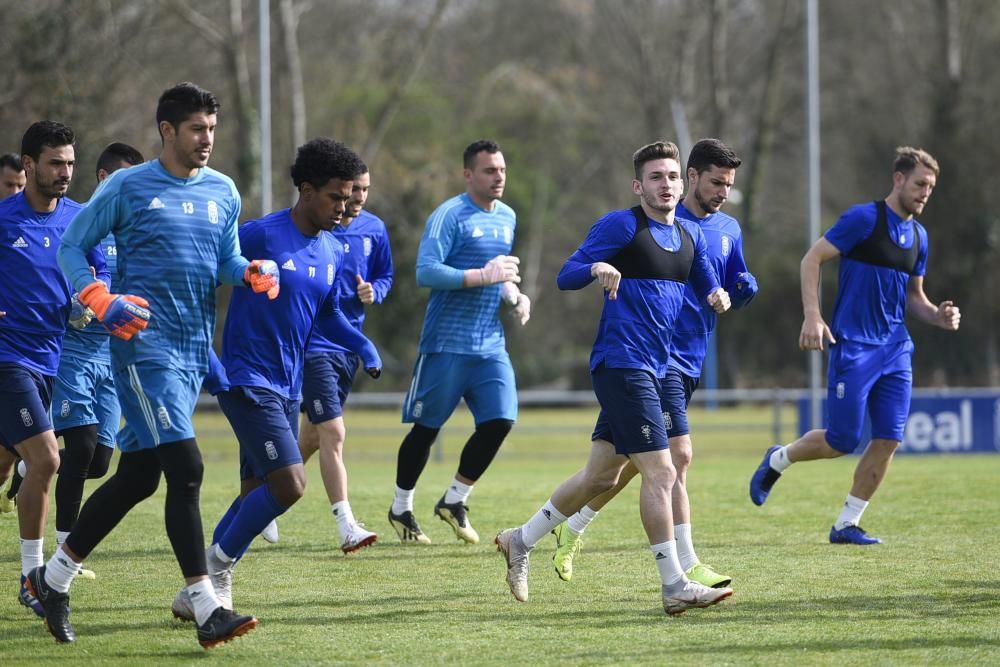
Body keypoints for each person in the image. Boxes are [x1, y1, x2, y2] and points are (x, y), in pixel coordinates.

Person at [30, 82, 277, 648]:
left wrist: (250, 272)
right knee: (187, 469)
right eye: (196, 129)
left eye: (212, 129)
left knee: (139, 477)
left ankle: (54, 579)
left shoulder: (224, 191)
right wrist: (98, 297)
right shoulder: (127, 187)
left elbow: (225, 260)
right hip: (144, 351)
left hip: (192, 352)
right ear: (167, 131)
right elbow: (71, 245)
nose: (207, 139)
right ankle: (207, 605)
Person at [495, 140, 735, 616]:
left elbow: (707, 281)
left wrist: (719, 297)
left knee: (600, 477)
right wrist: (596, 267)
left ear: (681, 181)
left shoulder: (691, 238)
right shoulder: (621, 225)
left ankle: (519, 541)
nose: (664, 185)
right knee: (662, 471)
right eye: (655, 178)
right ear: (637, 185)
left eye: (671, 177)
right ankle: (674, 585)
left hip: (662, 368)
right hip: (622, 364)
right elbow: (566, 275)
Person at [170, 138, 382, 620]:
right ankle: (216, 573)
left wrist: (363, 345)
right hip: (246, 379)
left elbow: (327, 316)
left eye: (350, 198)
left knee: (254, 496)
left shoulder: (333, 248)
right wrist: (211, 364)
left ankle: (196, 590)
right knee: (290, 484)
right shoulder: (261, 235)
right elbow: (201, 279)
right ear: (306, 190)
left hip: (288, 387)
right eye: (336, 197)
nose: (344, 207)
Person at [549, 139, 757, 587]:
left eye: (729, 185)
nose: (722, 191)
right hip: (648, 361)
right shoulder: (645, 224)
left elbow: (723, 283)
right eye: (715, 182)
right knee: (671, 461)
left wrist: (738, 288)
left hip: (685, 355)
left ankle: (550, 532)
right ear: (694, 178)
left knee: (614, 468)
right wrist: (596, 271)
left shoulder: (723, 230)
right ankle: (683, 570)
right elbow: (571, 272)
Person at [749, 146, 960, 545]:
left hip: (896, 349)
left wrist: (938, 316)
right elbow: (811, 260)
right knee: (841, 441)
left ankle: (847, 523)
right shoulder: (863, 219)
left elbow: (916, 297)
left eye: (930, 188)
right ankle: (779, 458)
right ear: (898, 179)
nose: (925, 193)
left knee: (889, 438)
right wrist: (813, 316)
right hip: (855, 347)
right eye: (919, 184)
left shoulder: (919, 236)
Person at [388, 139, 530, 545]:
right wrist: (480, 276)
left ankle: (455, 500)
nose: (498, 176)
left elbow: (499, 272)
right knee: (427, 429)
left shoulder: (507, 217)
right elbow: (426, 272)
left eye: (501, 169)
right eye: (489, 170)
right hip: (447, 342)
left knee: (501, 420)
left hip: (489, 343)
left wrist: (516, 296)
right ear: (468, 174)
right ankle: (401, 506)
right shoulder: (448, 215)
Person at [0, 121, 109, 620]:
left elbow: (100, 271)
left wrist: (91, 297)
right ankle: (33, 577)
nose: (65, 172)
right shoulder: (3, 220)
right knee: (47, 460)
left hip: (51, 359)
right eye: (55, 163)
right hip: (7, 359)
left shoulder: (81, 218)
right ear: (28, 165)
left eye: (70, 163)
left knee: (7, 464)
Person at [49, 142, 145, 579]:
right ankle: (63, 547)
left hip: (112, 356)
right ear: (105, 179)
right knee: (82, 447)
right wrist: (75, 301)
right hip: (72, 351)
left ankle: (37, 460)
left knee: (101, 461)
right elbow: (55, 268)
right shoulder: (76, 220)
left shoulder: (137, 230)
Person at [297, 164, 393, 553]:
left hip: (348, 347)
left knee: (312, 437)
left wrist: (376, 291)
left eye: (365, 190)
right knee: (334, 433)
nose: (359, 198)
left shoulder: (375, 229)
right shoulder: (320, 228)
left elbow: (386, 275)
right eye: (353, 190)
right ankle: (346, 524)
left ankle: (262, 498)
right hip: (314, 346)